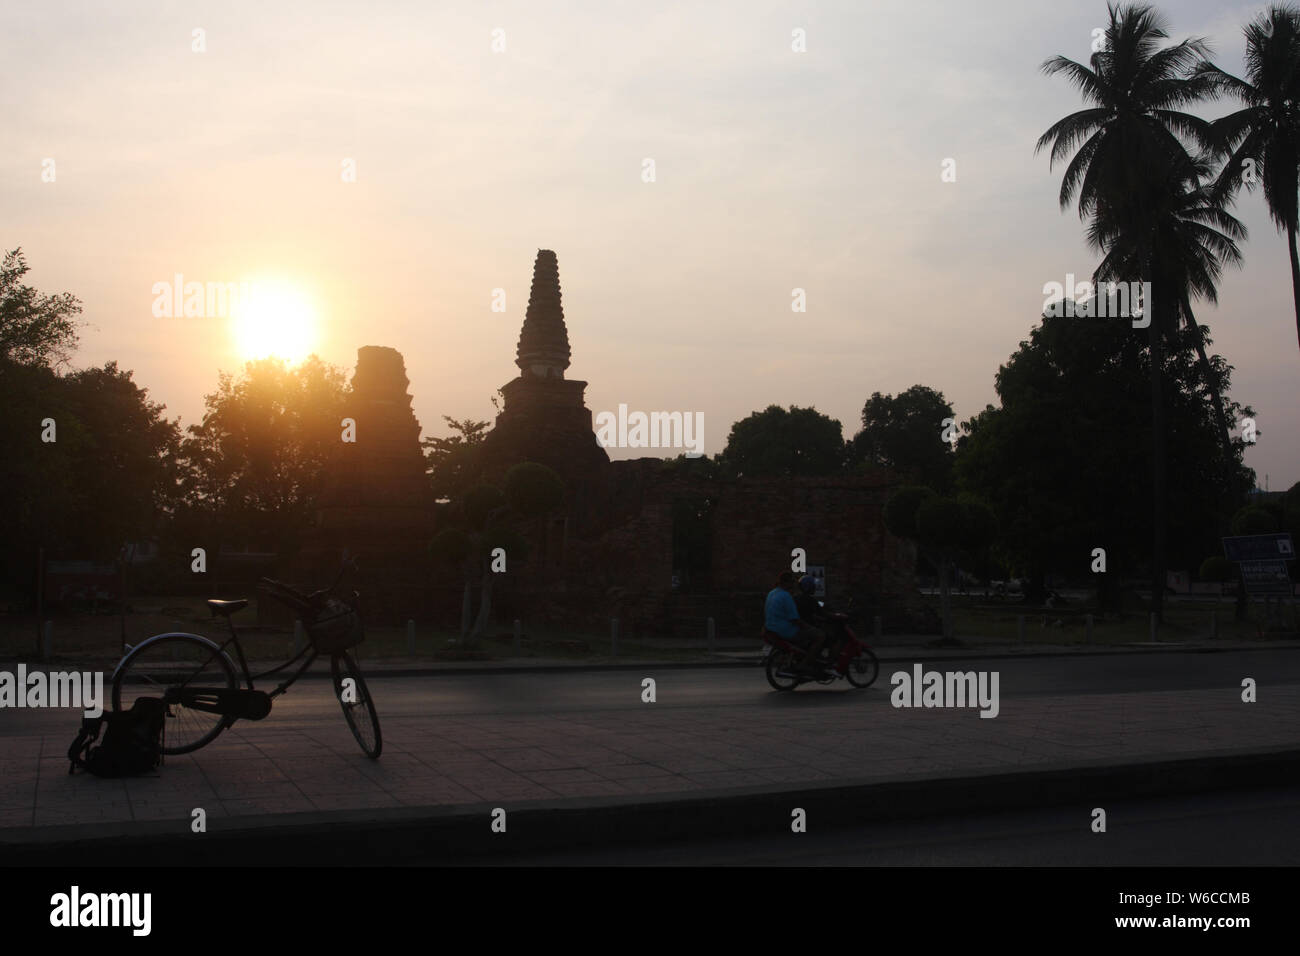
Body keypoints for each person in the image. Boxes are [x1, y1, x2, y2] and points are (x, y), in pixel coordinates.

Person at [765, 571, 825, 673]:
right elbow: (795, 619)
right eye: (791, 582)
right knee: (820, 636)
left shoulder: (772, 593)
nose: (793, 585)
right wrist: (808, 627)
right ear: (786, 583)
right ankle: (804, 664)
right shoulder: (786, 596)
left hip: (771, 627)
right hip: (785, 630)